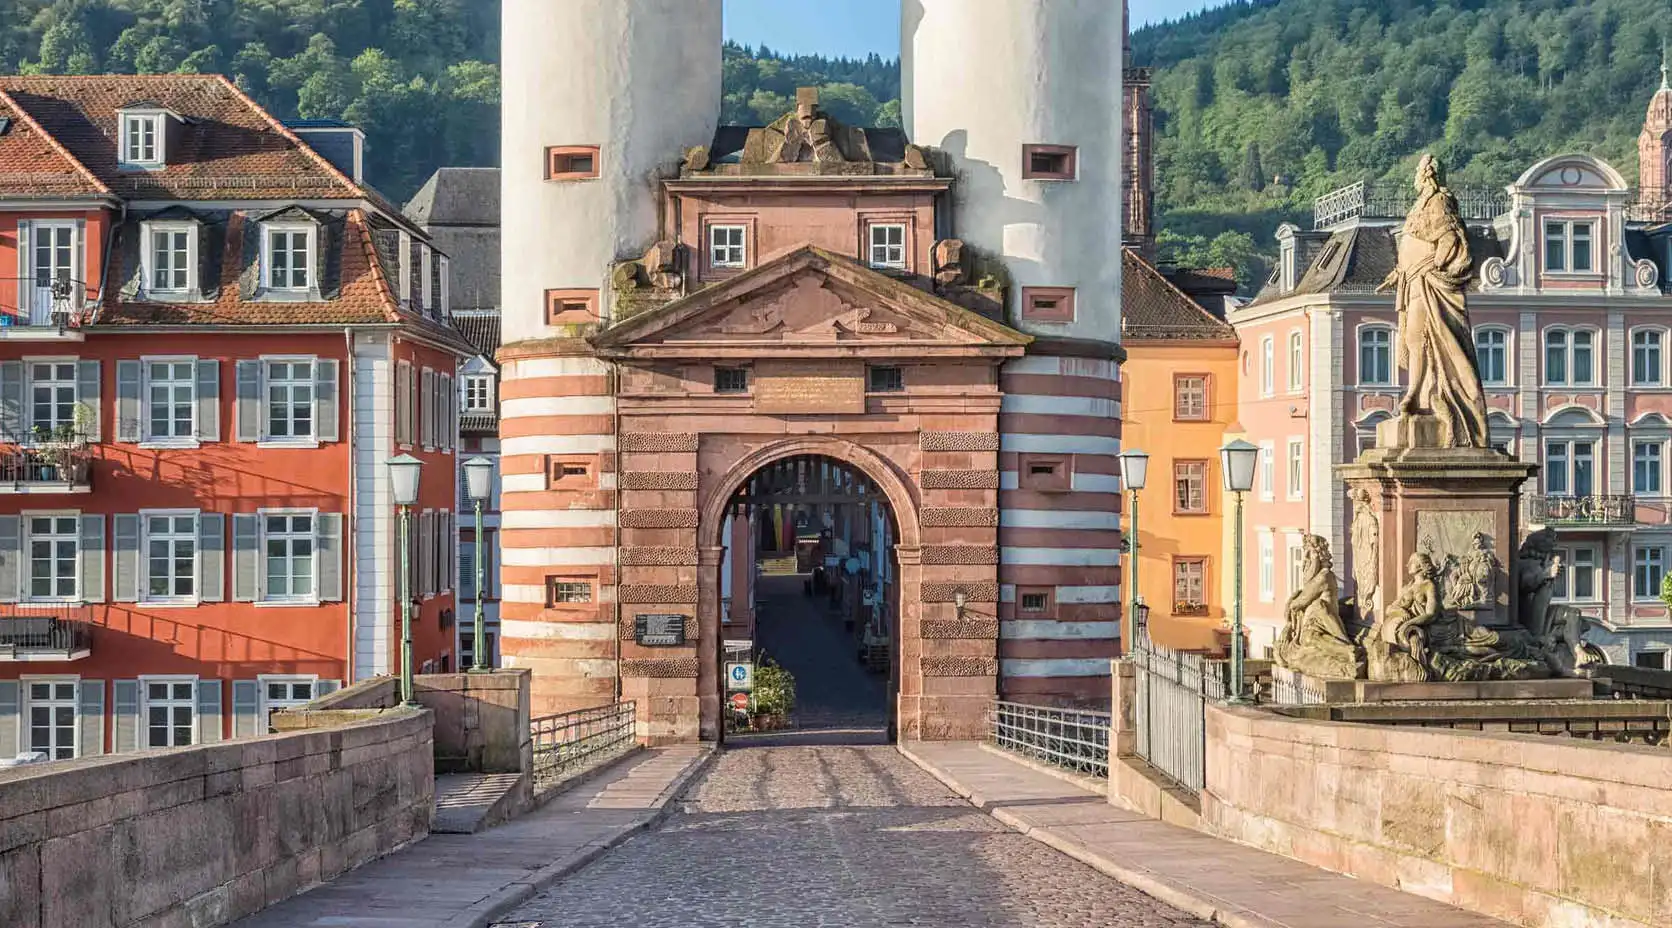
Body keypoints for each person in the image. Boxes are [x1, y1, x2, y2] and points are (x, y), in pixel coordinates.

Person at [1376, 154, 1489, 448]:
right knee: (1414, 339)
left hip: (1429, 281)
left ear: (1425, 175)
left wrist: (1435, 267)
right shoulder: (1421, 204)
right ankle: (1418, 394)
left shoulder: (1439, 200)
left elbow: (1450, 237)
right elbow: (1415, 243)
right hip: (1413, 279)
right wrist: (1399, 272)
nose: (1415, 176)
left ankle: (1416, 394)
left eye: (1417, 171)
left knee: (1423, 338)